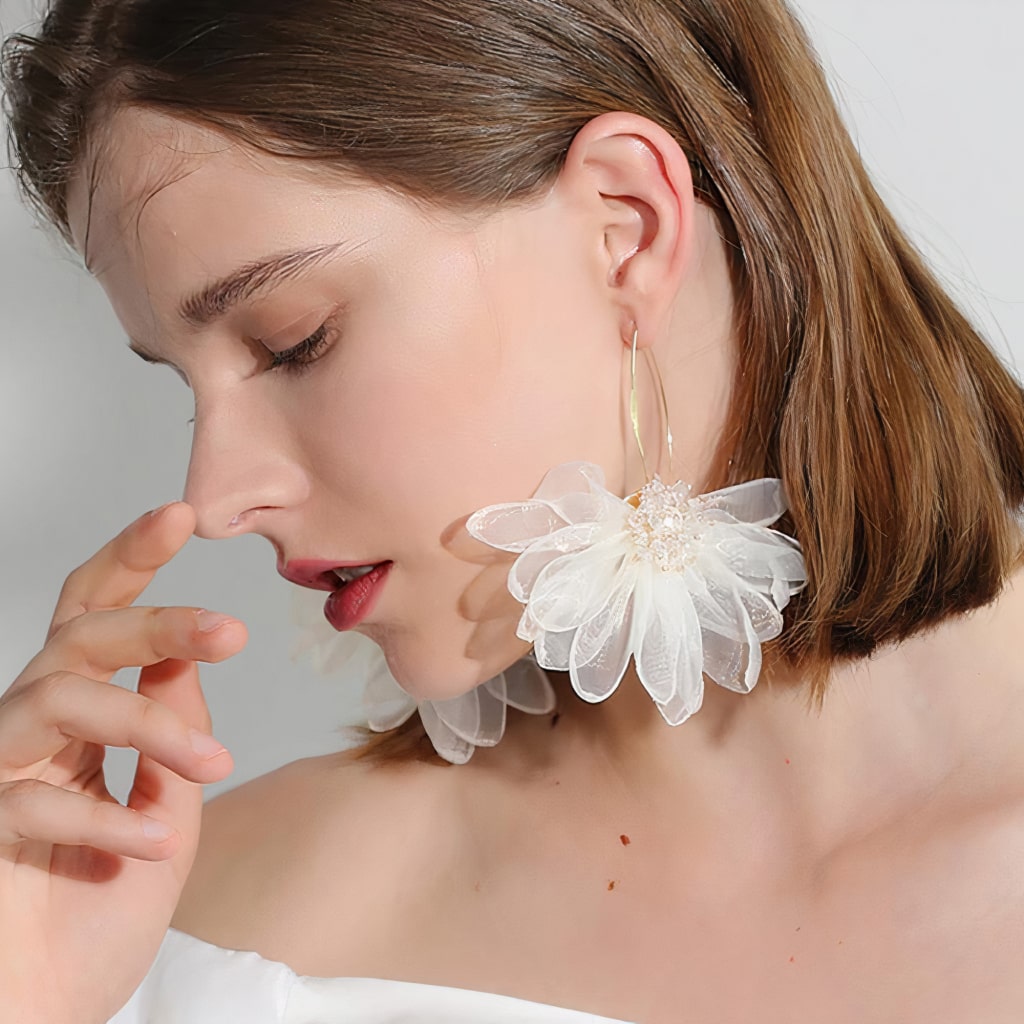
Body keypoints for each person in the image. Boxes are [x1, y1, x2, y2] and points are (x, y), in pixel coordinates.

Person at [2, 0, 1023, 1021]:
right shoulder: (189, 926)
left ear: (627, 225)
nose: (214, 498)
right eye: (186, 386)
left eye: (292, 340)